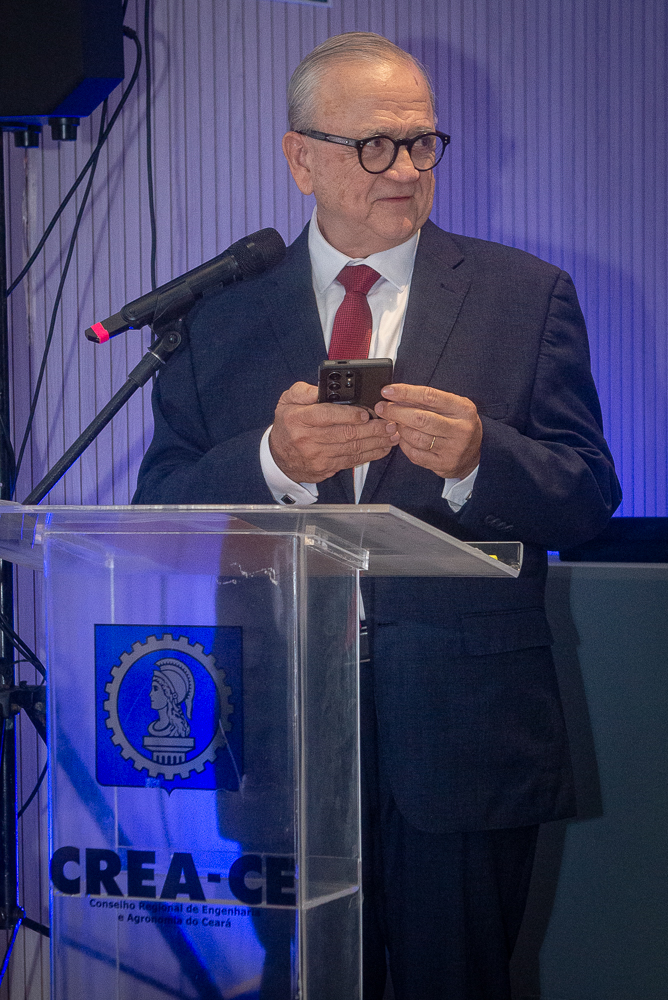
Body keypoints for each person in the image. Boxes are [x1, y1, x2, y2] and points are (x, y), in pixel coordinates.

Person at [134, 32, 621, 1000]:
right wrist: (272, 464)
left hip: (465, 730)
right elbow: (161, 510)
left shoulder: (524, 296)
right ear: (299, 157)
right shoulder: (216, 316)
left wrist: (480, 458)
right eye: (373, 145)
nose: (404, 169)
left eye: (422, 142)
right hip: (281, 735)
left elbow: (586, 496)